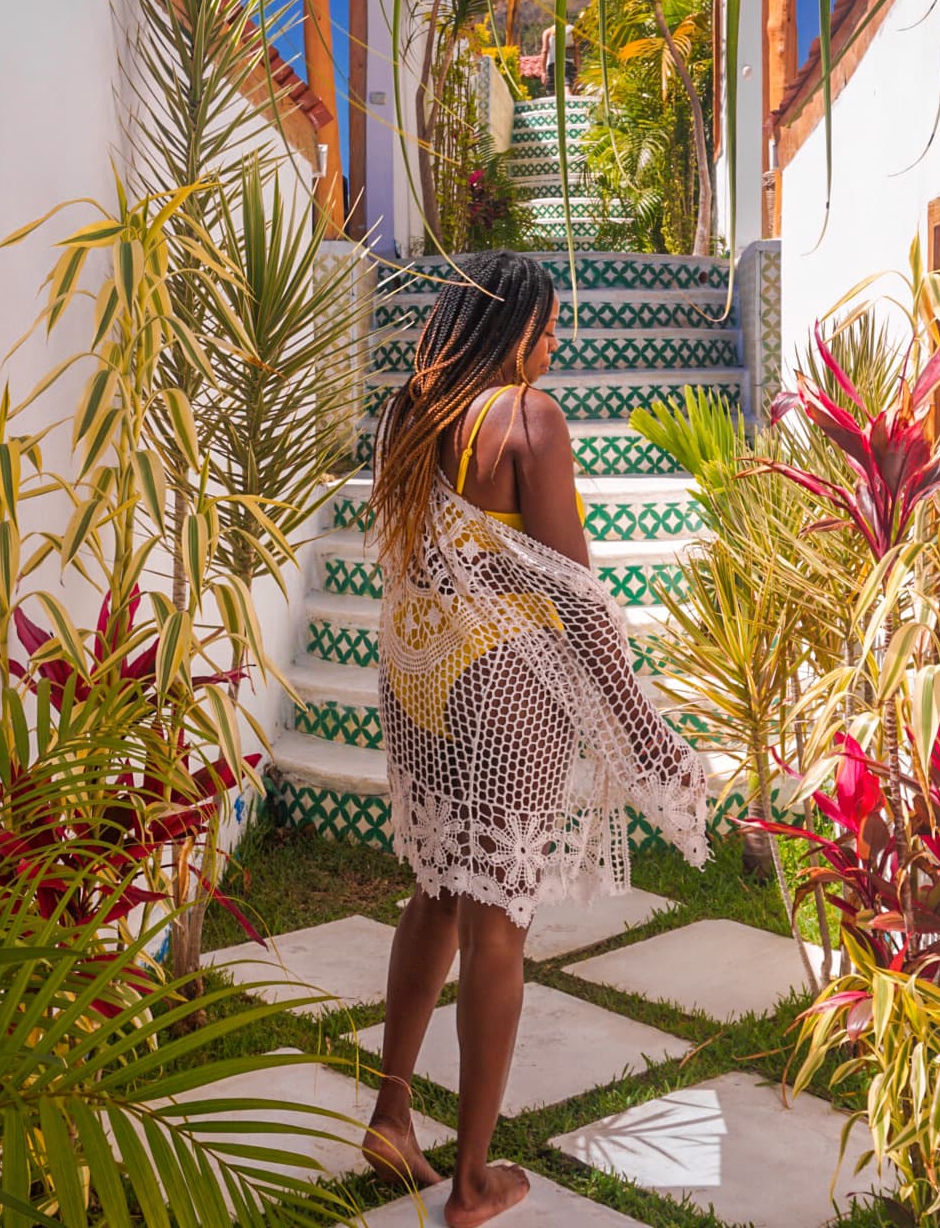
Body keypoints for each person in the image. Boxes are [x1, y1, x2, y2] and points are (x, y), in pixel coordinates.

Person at [363, 250, 708, 1227]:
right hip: (506, 686)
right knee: (497, 923)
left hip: (419, 675)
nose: (555, 345)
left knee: (437, 889)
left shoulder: (408, 415)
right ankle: (473, 1180)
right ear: (512, 329)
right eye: (549, 328)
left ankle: (392, 1115)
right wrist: (643, 733)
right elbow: (579, 597)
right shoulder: (529, 420)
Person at [539, 21, 578, 95]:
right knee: (567, 88)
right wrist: (577, 69)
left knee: (553, 92)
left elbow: (544, 51)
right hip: (568, 65)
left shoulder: (548, 32)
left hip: (552, 65)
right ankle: (568, 101)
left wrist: (543, 72)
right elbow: (576, 51)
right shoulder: (573, 30)